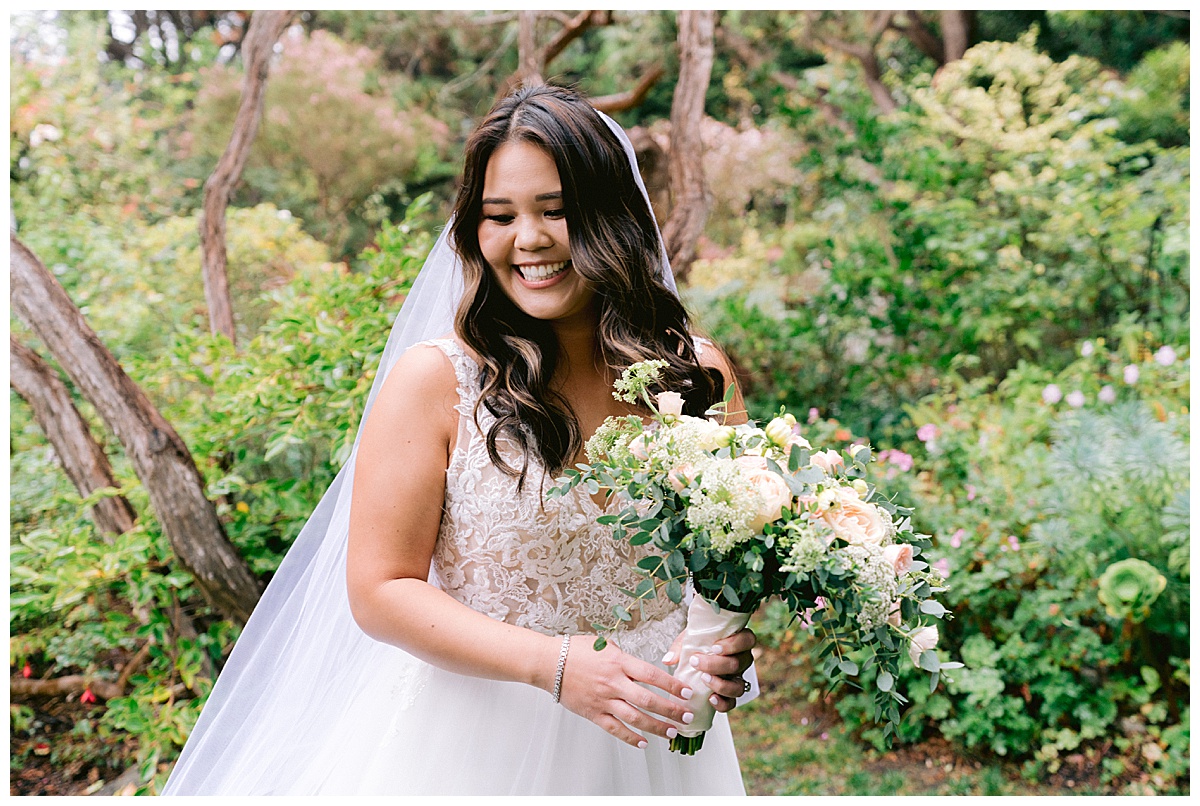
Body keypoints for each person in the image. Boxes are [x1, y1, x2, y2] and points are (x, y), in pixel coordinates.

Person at [164, 84, 756, 796]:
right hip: (482, 742)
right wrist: (555, 665)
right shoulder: (436, 383)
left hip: (654, 741)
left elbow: (730, 559)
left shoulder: (698, 375)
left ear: (612, 218)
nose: (529, 239)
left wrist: (718, 648)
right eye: (500, 215)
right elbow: (381, 589)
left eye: (557, 211)